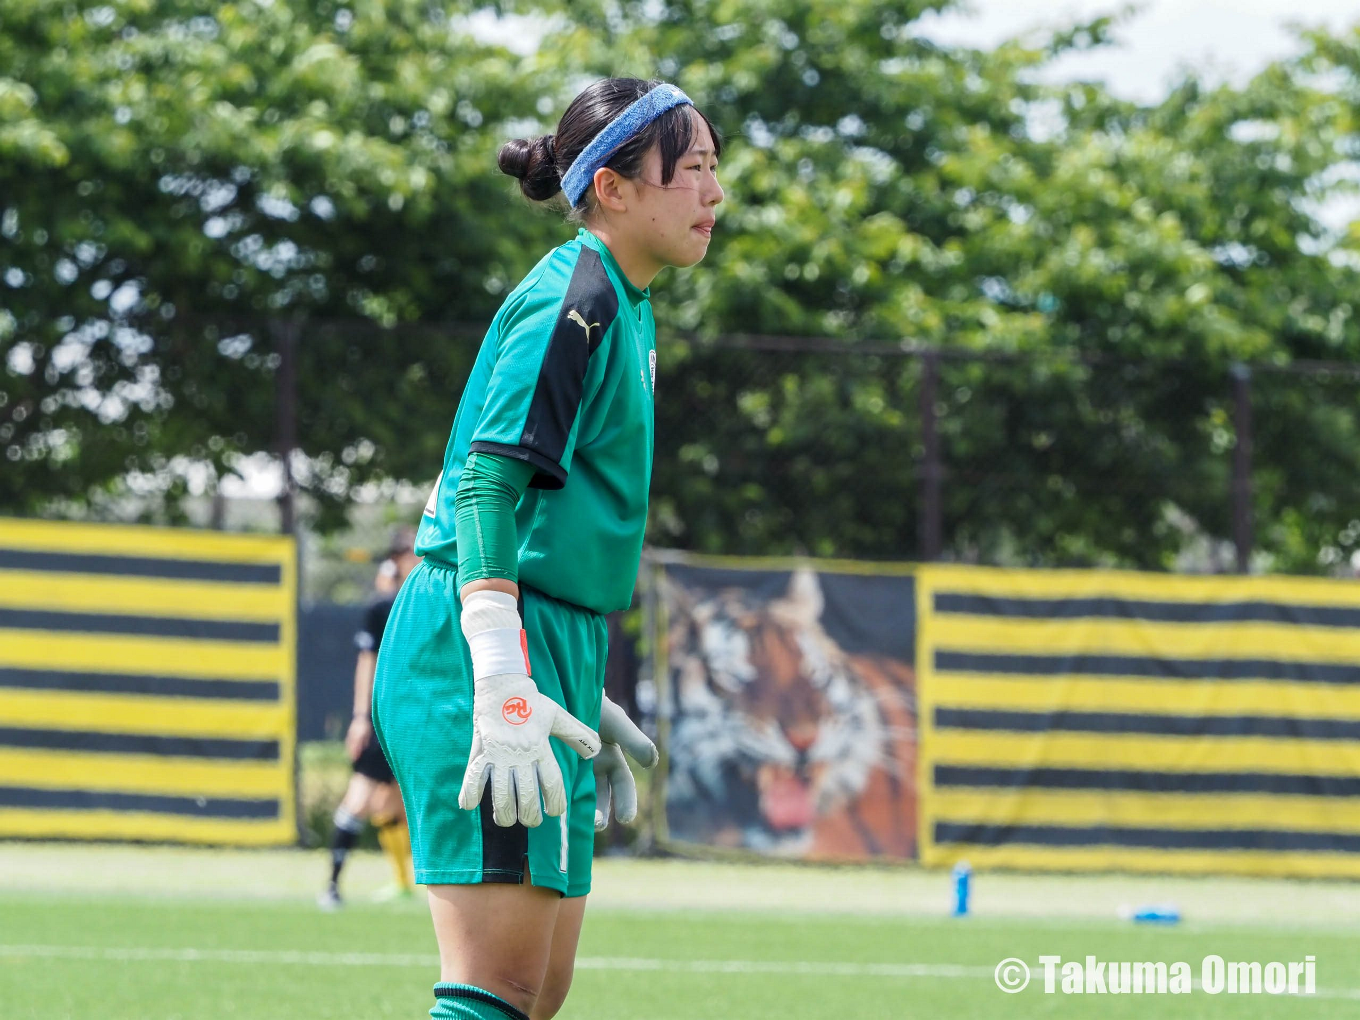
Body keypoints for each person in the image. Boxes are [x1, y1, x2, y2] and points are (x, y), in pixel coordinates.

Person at [371, 78, 723, 1020]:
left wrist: (575, 681)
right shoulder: (576, 297)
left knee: (536, 991)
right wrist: (501, 671)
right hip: (476, 644)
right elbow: (487, 487)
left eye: (714, 168)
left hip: (547, 640)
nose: (715, 192)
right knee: (496, 990)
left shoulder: (626, 303)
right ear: (614, 187)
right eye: (692, 169)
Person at [319, 527, 420, 910]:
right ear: (397, 560)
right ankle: (332, 886)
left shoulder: (436, 603)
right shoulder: (382, 608)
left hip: (418, 718)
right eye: (411, 552)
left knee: (393, 806)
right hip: (385, 718)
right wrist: (361, 717)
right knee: (360, 799)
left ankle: (406, 884)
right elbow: (367, 663)